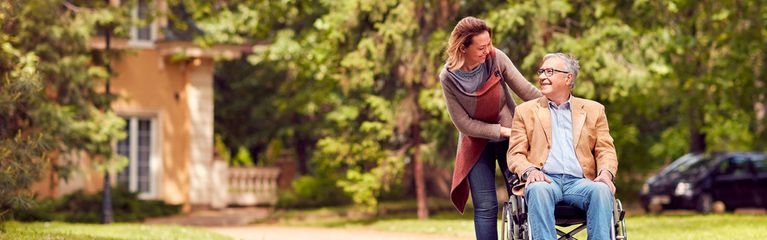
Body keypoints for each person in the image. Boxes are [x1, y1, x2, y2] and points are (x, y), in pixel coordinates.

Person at [440, 16, 541, 240]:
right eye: (481, 47)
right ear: (463, 47)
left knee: (523, 197)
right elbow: (463, 123)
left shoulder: (496, 58)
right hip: (475, 141)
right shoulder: (448, 78)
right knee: (485, 206)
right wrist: (502, 131)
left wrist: (559, 106)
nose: (488, 51)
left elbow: (526, 91)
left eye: (489, 44)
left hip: (510, 139)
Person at [507, 53, 618, 240]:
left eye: (549, 72)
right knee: (538, 188)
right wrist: (530, 171)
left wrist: (606, 174)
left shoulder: (594, 110)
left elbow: (605, 149)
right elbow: (515, 153)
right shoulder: (525, 111)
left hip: (580, 183)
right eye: (541, 71)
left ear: (569, 77)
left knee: (601, 190)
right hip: (546, 180)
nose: (542, 76)